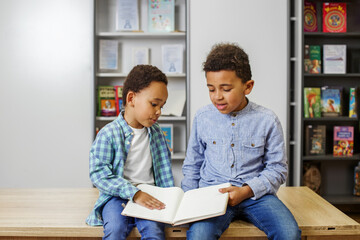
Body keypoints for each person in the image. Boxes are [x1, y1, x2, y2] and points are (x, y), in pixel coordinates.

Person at [181, 43, 301, 240]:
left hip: (257, 196)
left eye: (226, 89)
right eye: (211, 89)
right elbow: (193, 164)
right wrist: (188, 200)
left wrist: (246, 191)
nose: (217, 96)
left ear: (248, 86)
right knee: (199, 235)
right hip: (212, 196)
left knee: (289, 233)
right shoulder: (202, 117)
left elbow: (277, 169)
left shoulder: (267, 120)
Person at [86, 65, 174, 240]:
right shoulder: (108, 134)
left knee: (155, 232)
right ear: (131, 98)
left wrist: (171, 200)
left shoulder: (157, 134)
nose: (159, 112)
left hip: (150, 195)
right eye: (154, 104)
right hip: (116, 196)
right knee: (115, 230)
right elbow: (99, 174)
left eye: (162, 106)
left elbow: (164, 173)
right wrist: (134, 193)